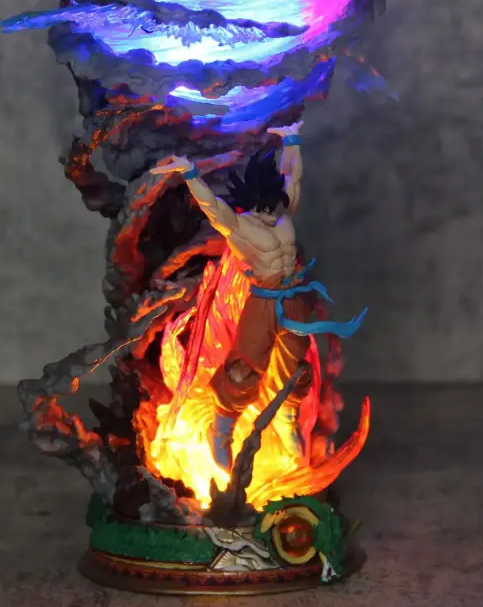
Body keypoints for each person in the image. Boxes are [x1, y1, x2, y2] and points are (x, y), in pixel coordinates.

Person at [150, 122, 365, 470]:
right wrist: (190, 174)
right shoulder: (243, 226)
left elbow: (293, 178)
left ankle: (287, 419)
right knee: (245, 366)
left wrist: (292, 140)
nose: (276, 209)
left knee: (295, 365)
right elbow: (213, 208)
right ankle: (221, 429)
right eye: (269, 205)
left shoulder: (282, 212)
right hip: (264, 301)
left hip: (293, 298)